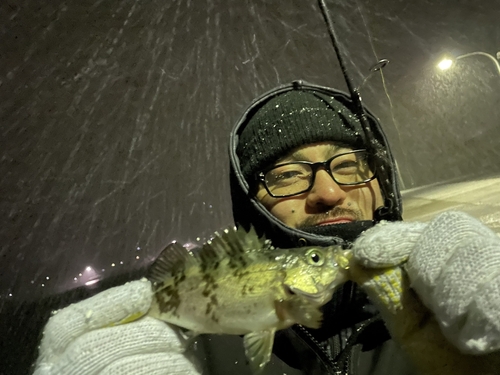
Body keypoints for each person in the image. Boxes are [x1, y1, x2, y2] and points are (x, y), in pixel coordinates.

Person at [33, 81, 500, 375]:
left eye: (349, 165)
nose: (329, 193)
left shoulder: (457, 310)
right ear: (251, 206)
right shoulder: (200, 357)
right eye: (288, 175)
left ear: (383, 184)